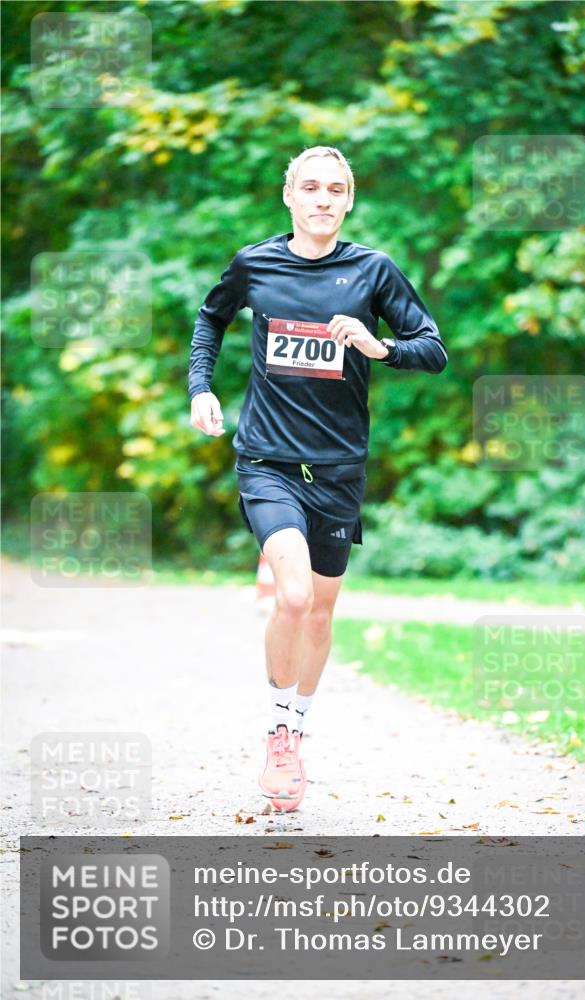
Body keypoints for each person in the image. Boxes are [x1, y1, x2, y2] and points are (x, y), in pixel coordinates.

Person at [188, 145, 447, 812]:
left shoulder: (371, 271)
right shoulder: (256, 264)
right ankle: (277, 733)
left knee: (322, 612)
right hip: (267, 461)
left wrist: (376, 345)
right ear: (290, 197)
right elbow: (211, 318)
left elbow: (432, 349)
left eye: (335, 188)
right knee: (295, 597)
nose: (323, 198)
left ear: (349, 199)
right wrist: (200, 389)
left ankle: (297, 731)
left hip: (336, 469)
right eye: (310, 187)